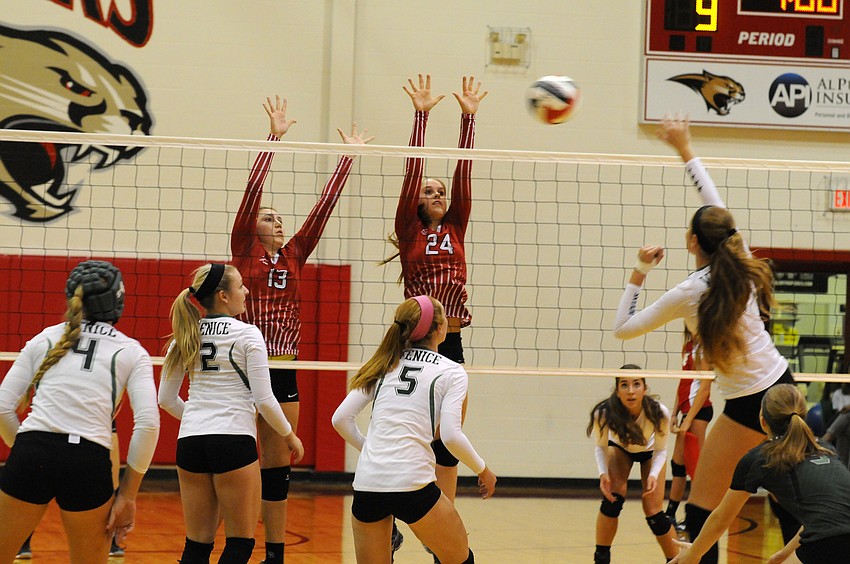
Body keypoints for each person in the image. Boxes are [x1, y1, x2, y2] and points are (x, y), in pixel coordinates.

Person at [612, 115, 795, 563]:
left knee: (701, 511)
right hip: (784, 384)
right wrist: (685, 147)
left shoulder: (689, 292)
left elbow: (623, 329)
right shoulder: (742, 257)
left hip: (748, 402)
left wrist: (640, 270)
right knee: (791, 500)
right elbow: (716, 206)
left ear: (691, 240)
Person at [230, 96, 372, 564]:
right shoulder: (243, 252)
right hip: (243, 368)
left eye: (279, 218)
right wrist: (273, 137)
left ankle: (274, 552)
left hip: (285, 368)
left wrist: (347, 159)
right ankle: (237, 543)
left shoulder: (294, 254)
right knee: (239, 463)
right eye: (269, 217)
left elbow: (323, 209)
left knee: (277, 467)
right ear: (252, 227)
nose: (278, 221)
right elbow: (252, 191)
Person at [0, 260, 160, 563]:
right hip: (87, 460)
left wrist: (25, 448)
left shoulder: (43, 339)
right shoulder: (131, 350)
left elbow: (1, 407)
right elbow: (149, 425)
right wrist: (127, 495)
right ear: (117, 300)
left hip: (32, 450)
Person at [382, 74, 487, 536]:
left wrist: (469, 120)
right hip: (413, 349)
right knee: (404, 434)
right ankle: (386, 518)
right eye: (429, 191)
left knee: (446, 441)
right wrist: (421, 117)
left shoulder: (458, 225)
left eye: (441, 190)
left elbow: (464, 172)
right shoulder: (410, 232)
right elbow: (410, 175)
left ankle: (439, 526)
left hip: (453, 347)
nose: (437, 194)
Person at [331, 295, 496, 564]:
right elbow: (451, 436)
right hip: (413, 486)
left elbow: (340, 419)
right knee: (460, 559)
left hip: (368, 485)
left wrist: (372, 449)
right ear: (440, 328)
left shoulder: (383, 363)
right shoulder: (451, 371)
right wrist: (483, 470)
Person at [158, 263, 304, 564]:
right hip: (234, 442)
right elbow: (265, 400)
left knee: (197, 547)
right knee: (239, 545)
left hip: (190, 444)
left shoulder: (183, 335)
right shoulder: (248, 335)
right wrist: (289, 435)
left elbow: (166, 399)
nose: (247, 291)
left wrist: (199, 417)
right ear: (223, 296)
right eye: (241, 286)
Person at [671, 384, 850, 564]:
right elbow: (826, 515)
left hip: (829, 542)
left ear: (763, 421)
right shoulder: (825, 448)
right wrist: (783, 554)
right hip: (831, 538)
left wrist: (694, 553)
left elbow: (721, 518)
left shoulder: (760, 458)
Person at [586, 368, 678, 563]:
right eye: (624, 385)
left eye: (636, 384)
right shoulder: (603, 413)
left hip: (651, 452)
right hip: (621, 450)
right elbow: (601, 447)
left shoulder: (659, 412)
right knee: (612, 500)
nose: (630, 391)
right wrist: (603, 473)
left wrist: (653, 475)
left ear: (645, 388)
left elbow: (661, 450)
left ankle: (677, 560)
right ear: (617, 390)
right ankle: (601, 557)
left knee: (653, 511)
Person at [666, 332, 713, 528]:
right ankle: (670, 515)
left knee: (696, 468)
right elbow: (683, 381)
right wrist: (675, 412)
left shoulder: (704, 349)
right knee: (678, 466)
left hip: (699, 412)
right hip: (686, 412)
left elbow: (705, 389)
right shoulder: (688, 345)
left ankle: (697, 516)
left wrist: (688, 420)